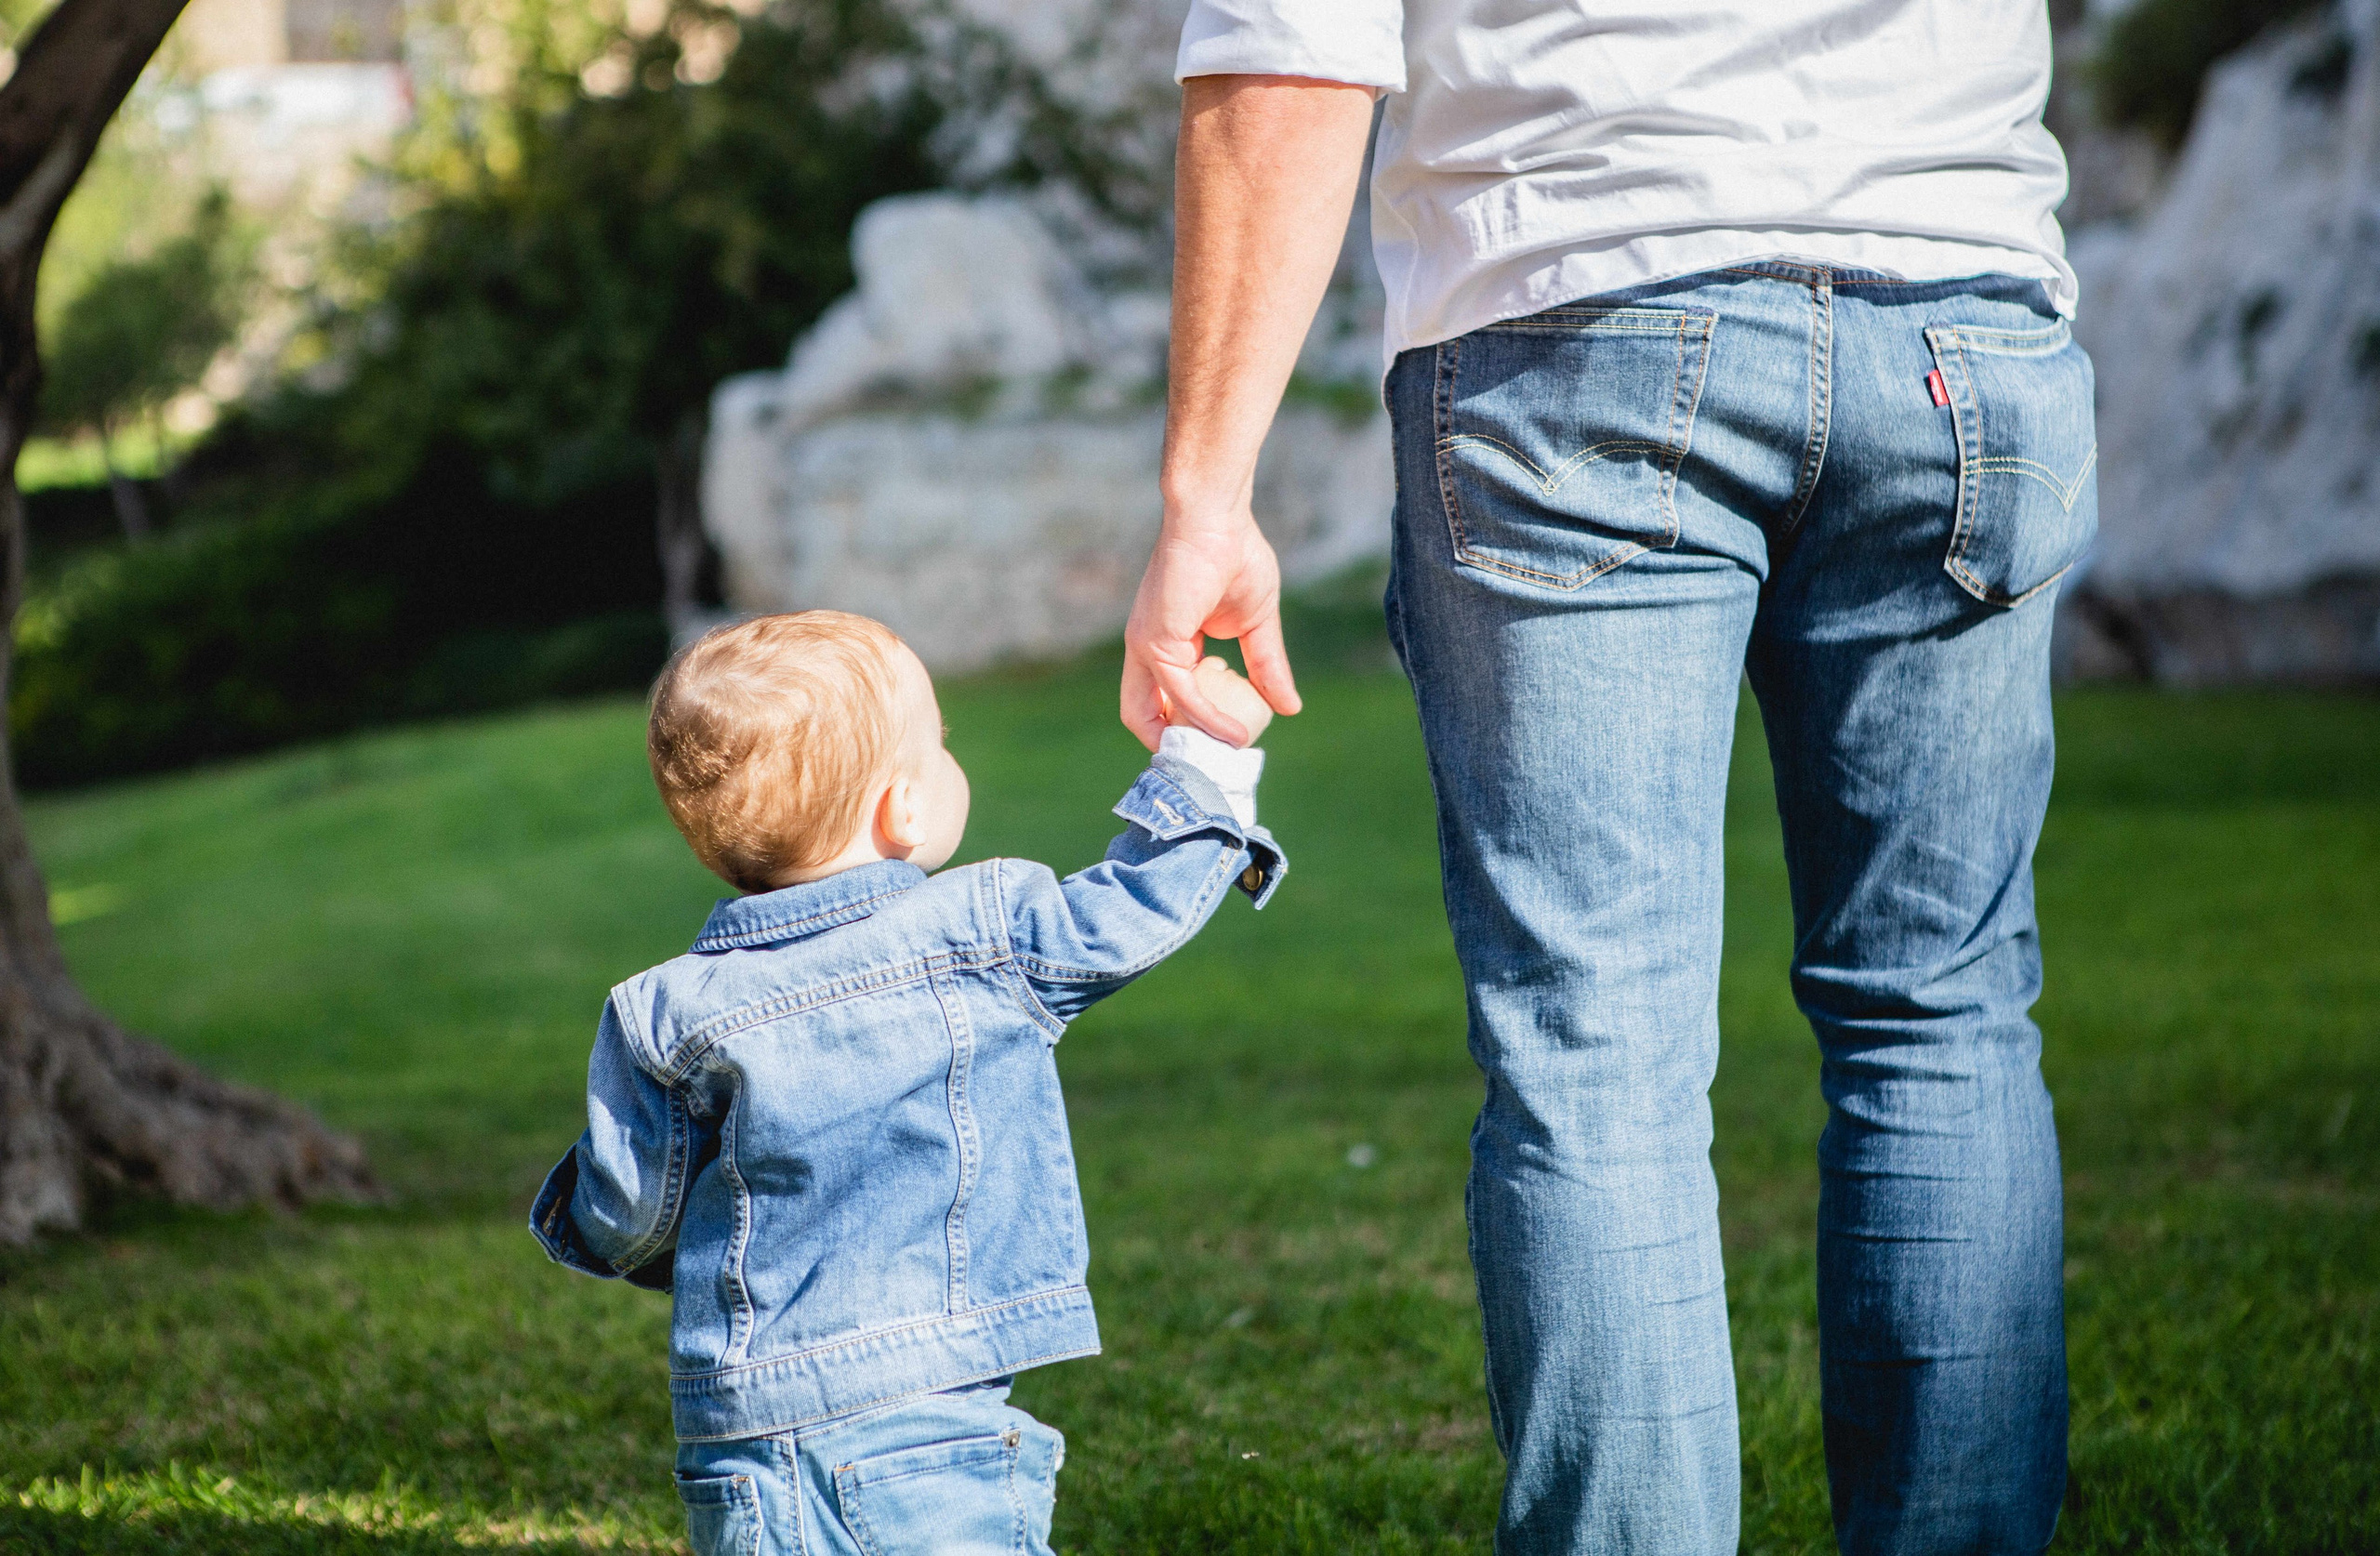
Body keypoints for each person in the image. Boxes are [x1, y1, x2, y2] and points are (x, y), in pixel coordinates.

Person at [1127, 3, 2092, 1552]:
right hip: (1962, 324)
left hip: (1579, 309)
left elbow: (1293, 46)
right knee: (1940, 1016)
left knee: (1597, 1055)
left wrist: (1203, 496)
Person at [529, 612, 1284, 1556]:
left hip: (739, 1426)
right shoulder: (981, 936)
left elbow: (626, 1213)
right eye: (941, 742)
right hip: (930, 1407)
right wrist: (1204, 764)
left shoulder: (662, 1011)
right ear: (904, 810)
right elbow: (1133, 905)